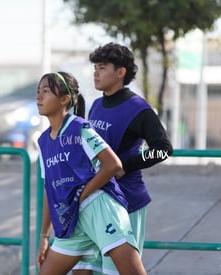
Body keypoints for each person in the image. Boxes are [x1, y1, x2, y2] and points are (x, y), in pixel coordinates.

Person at [73, 42, 173, 274]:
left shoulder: (138, 108)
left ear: (120, 72)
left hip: (126, 203)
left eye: (102, 67)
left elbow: (164, 148)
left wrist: (124, 166)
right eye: (95, 67)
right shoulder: (96, 105)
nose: (95, 72)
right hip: (96, 204)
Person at [35, 71, 146, 275]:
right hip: (71, 218)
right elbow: (48, 189)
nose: (39, 96)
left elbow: (114, 165)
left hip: (100, 208)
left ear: (64, 99)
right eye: (38, 91)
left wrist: (81, 195)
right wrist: (44, 236)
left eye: (46, 91)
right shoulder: (43, 142)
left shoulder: (79, 128)